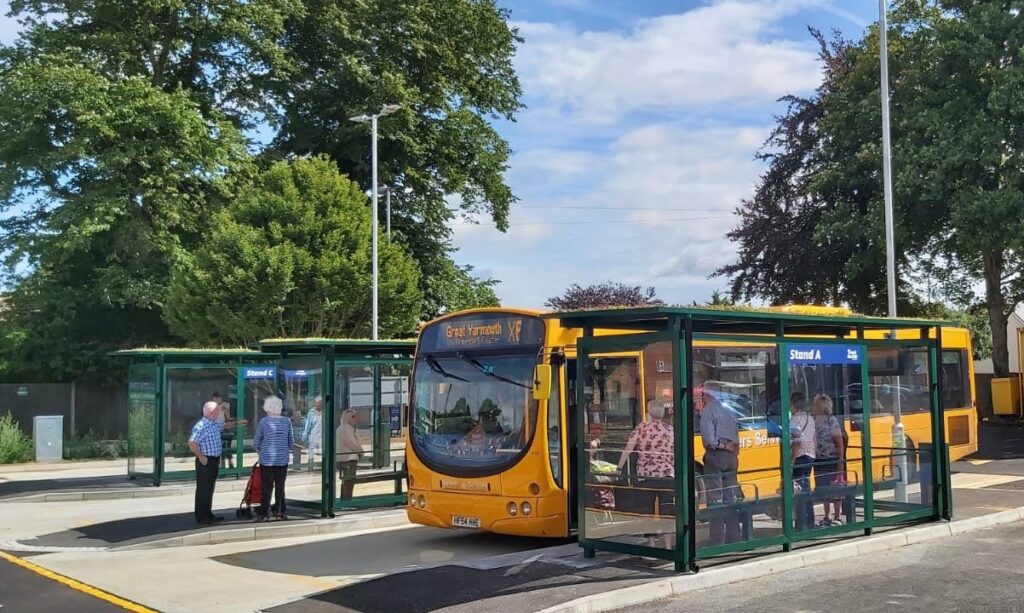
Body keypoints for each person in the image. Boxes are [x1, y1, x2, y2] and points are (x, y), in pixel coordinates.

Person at [617, 398, 675, 550]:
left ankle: (651, 545)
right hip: (667, 476)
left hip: (646, 476)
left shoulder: (641, 428)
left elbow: (628, 449)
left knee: (647, 511)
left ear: (649, 412)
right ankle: (668, 546)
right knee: (667, 511)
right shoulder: (669, 430)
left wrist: (619, 468)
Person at [699, 385, 742, 546]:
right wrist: (732, 448)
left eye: (703, 395)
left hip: (716, 455)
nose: (702, 398)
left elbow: (709, 438)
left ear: (708, 395)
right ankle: (734, 535)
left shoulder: (709, 410)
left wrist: (722, 446)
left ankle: (716, 539)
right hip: (732, 457)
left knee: (715, 498)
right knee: (730, 496)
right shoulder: (729, 408)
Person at [253, 396, 294, 521]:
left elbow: (256, 442)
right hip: (282, 459)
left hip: (267, 459)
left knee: (267, 486)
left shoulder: (264, 422)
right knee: (280, 486)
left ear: (268, 408)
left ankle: (264, 513)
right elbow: (291, 441)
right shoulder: (287, 421)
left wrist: (260, 452)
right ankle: (280, 511)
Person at [187, 401, 225, 525]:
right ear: (212, 413)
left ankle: (208, 513)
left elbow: (224, 426)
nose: (219, 413)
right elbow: (192, 443)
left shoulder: (213, 424)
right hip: (205, 461)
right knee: (203, 489)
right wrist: (201, 457)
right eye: (217, 411)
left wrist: (237, 424)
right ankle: (201, 516)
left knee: (209, 488)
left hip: (214, 460)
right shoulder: (202, 426)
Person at [812, 394, 846, 526]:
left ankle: (837, 516)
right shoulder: (814, 420)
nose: (814, 406)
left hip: (831, 459)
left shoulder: (831, 420)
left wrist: (840, 460)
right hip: (819, 459)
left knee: (835, 487)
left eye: (817, 404)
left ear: (824, 405)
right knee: (823, 488)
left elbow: (839, 441)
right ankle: (827, 516)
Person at [789, 392, 817, 529]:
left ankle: (801, 524)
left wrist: (791, 461)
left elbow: (796, 442)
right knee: (806, 489)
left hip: (799, 457)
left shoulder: (794, 420)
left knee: (799, 491)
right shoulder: (810, 418)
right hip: (810, 456)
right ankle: (810, 521)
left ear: (793, 404)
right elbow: (814, 439)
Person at [212, 392, 247, 469]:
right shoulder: (212, 407)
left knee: (226, 446)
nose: (217, 400)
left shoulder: (225, 405)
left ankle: (230, 462)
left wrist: (225, 411)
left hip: (225, 428)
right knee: (217, 447)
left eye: (218, 398)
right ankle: (219, 465)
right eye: (215, 399)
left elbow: (229, 418)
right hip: (215, 429)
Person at [336, 408, 363, 500]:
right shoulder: (347, 429)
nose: (355, 419)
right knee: (349, 481)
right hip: (349, 459)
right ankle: (347, 500)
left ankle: (344, 499)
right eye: (353, 417)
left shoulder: (340, 428)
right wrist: (361, 451)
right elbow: (353, 444)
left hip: (342, 459)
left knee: (345, 481)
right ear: (348, 418)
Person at [302, 396, 323, 472]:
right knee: (311, 453)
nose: (317, 404)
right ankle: (310, 468)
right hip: (313, 435)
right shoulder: (311, 412)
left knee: (322, 452)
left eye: (319, 403)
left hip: (322, 436)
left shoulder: (325, 411)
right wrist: (305, 435)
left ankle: (322, 467)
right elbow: (308, 425)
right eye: (316, 402)